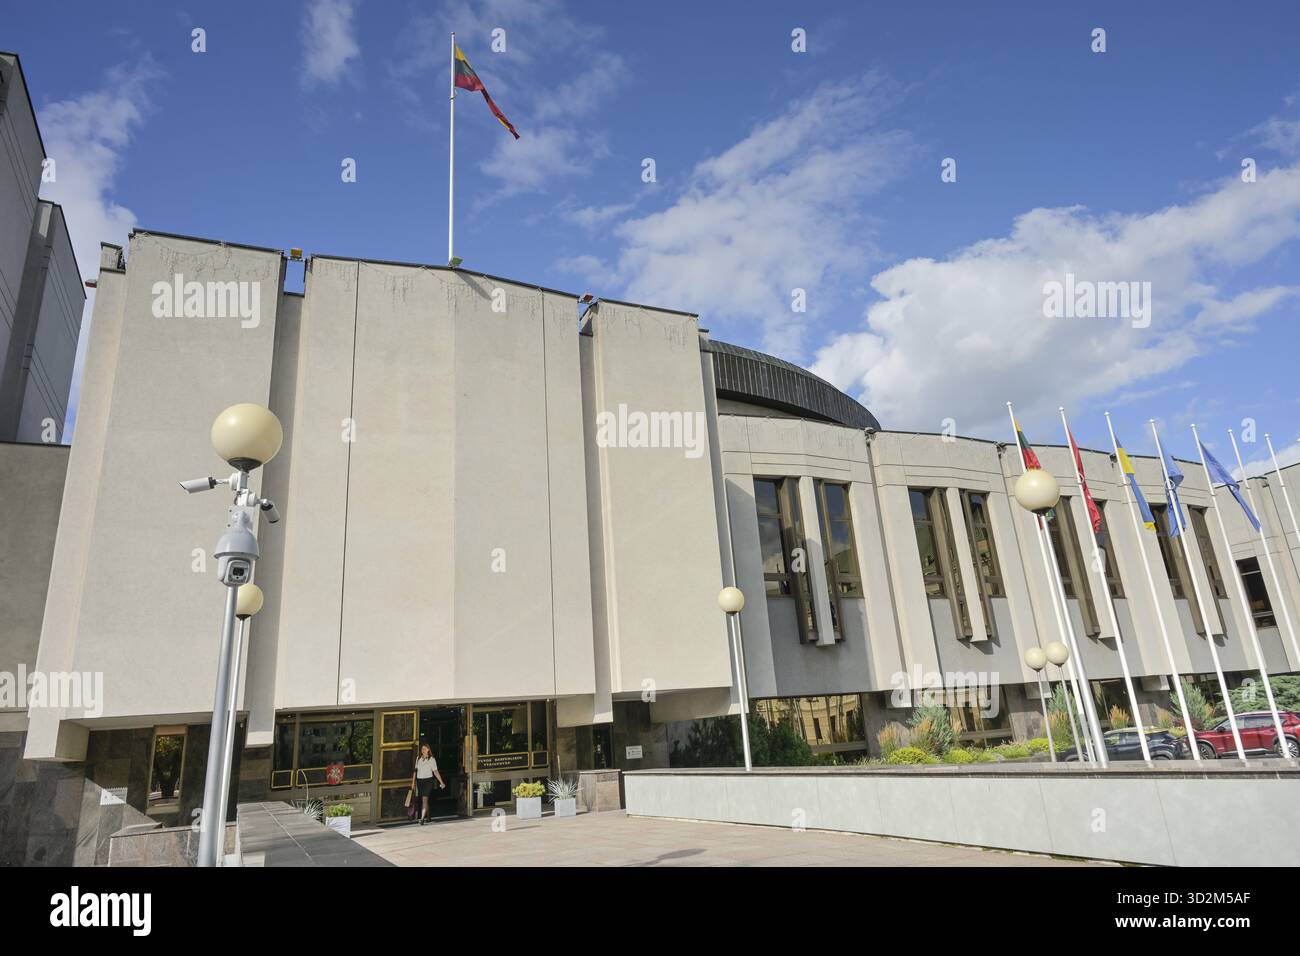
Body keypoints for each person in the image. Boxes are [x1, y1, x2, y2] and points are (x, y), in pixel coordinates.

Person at [410, 743, 447, 825]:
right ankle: (429, 816)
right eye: (422, 749)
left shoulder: (431, 759)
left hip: (428, 781)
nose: (423, 750)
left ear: (428, 750)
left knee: (424, 799)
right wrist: (413, 782)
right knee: (424, 800)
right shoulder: (418, 758)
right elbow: (415, 771)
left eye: (425, 749)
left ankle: (422, 819)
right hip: (420, 781)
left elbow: (435, 772)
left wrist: (441, 782)